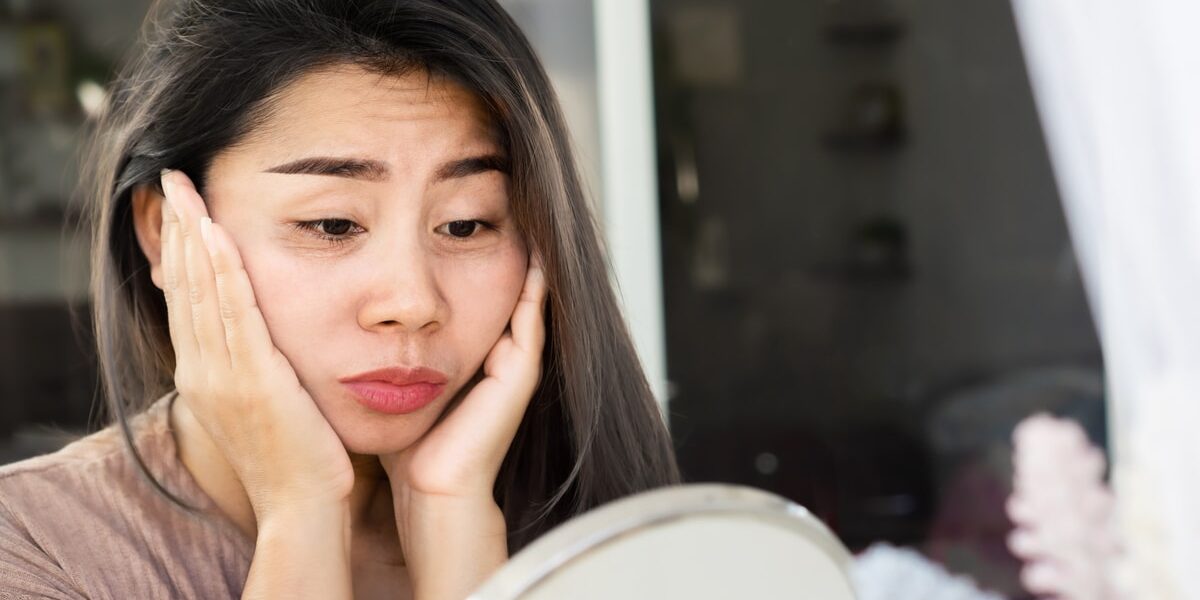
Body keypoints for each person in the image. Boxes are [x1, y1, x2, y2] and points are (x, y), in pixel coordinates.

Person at [0, 1, 681, 598]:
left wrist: (454, 524)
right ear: (163, 229)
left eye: (465, 224)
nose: (412, 302)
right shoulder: (33, 548)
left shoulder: (631, 543)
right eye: (331, 224)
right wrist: (300, 511)